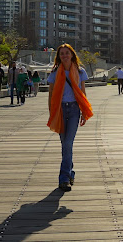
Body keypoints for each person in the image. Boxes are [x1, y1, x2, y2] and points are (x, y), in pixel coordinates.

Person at [47, 43, 93, 192]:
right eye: (62, 53)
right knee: (65, 145)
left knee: (68, 144)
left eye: (67, 53)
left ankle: (64, 178)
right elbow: (51, 94)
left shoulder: (80, 72)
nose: (65, 55)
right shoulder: (55, 72)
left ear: (72, 54)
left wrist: (84, 112)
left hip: (74, 110)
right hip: (60, 110)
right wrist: (51, 112)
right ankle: (70, 171)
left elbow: (83, 93)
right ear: (59, 57)